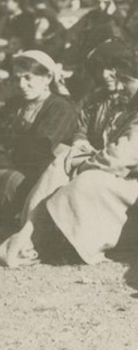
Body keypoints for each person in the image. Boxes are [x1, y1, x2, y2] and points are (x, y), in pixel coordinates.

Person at [0, 41, 138, 267]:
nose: (120, 86)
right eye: (120, 79)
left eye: (126, 80)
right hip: (124, 179)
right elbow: (90, 132)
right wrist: (75, 158)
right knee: (64, 163)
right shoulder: (136, 104)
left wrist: (77, 163)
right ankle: (30, 232)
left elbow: (116, 159)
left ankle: (46, 239)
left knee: (85, 180)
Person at [0, 51, 77, 226]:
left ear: (47, 78)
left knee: (5, 179)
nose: (22, 85)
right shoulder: (15, 104)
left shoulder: (60, 108)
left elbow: (39, 149)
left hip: (42, 178)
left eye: (28, 77)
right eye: (17, 78)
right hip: (12, 165)